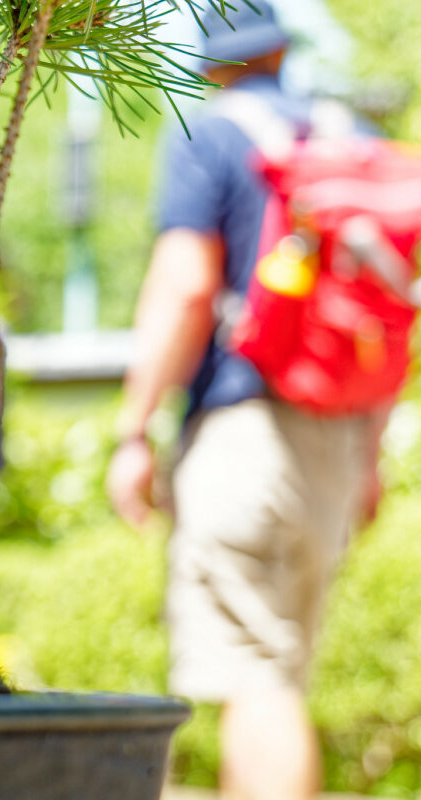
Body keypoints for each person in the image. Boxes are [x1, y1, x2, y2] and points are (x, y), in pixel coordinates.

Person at [105, 4, 386, 800]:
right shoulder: (347, 139)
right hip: (336, 438)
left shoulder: (215, 134)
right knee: (282, 675)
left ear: (212, 62)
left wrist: (133, 431)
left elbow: (188, 286)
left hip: (244, 433)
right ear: (279, 52)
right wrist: (369, 457)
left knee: (251, 678)